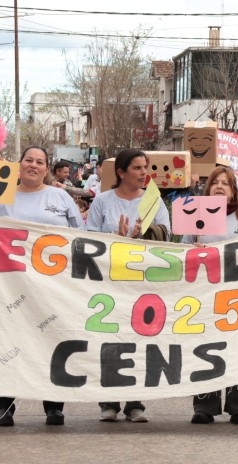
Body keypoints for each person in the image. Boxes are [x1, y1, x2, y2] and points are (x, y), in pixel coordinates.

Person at [0, 146, 84, 426]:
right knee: (10, 341)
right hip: (11, 287)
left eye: (40, 162)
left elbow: (81, 237)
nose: (34, 165)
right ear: (19, 165)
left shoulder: (60, 197)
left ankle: (54, 406)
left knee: (52, 340)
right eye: (29, 160)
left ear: (47, 169)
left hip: (54, 286)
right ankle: (4, 405)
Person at [86, 148, 171, 423]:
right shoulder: (102, 201)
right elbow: (87, 239)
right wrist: (115, 237)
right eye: (137, 168)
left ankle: (136, 401)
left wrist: (142, 235)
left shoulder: (153, 201)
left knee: (140, 338)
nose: (144, 173)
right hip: (109, 282)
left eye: (145, 167)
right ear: (121, 172)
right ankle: (108, 401)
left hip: (144, 282)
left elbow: (166, 236)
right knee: (111, 338)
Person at [181, 165, 238, 425]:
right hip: (204, 291)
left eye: (225, 183)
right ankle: (204, 405)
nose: (218, 186)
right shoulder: (195, 211)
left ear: (233, 191)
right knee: (205, 346)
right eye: (215, 182)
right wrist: (192, 248)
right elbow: (181, 248)